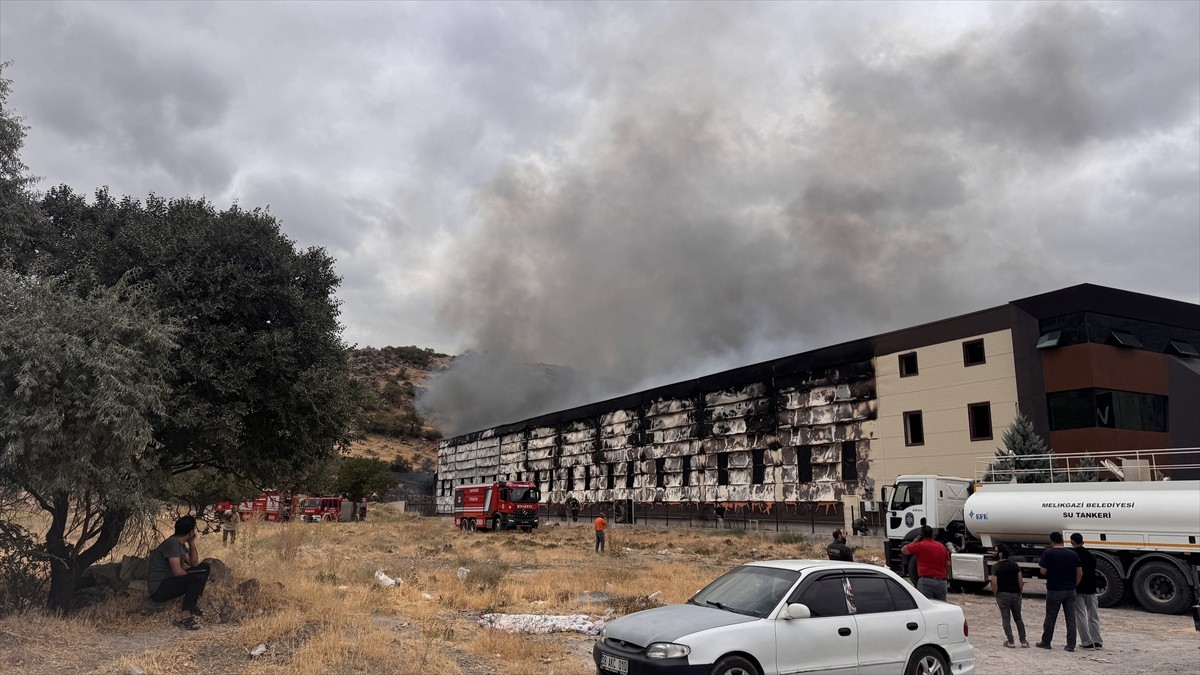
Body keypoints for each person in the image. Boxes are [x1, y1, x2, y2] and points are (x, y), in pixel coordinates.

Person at [147, 515, 211, 630]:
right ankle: (184, 617)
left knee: (205, 567)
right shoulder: (172, 543)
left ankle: (192, 604)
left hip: (168, 582)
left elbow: (194, 563)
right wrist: (193, 578)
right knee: (196, 577)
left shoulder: (179, 544)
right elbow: (177, 572)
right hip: (159, 588)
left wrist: (191, 543)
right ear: (191, 531)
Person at [1037, 531, 1082, 651]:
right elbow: (1080, 573)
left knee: (1051, 616)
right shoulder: (1072, 554)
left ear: (1051, 541)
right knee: (1070, 618)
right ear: (1062, 540)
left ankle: (1046, 642)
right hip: (1070, 590)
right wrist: (1074, 585)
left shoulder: (1048, 553)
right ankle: (1071, 645)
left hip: (1054, 589)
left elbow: (1043, 571)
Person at [990, 544, 1029, 648]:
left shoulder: (996, 567)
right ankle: (1023, 641)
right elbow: (1020, 581)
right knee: (1018, 618)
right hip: (1015, 594)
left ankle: (1010, 641)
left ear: (1001, 553)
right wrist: (1019, 593)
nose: (994, 553)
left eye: (995, 551)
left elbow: (994, 584)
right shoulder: (1015, 565)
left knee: (1006, 619)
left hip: (1002, 595)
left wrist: (996, 595)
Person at [1071, 533, 1103, 650]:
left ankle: (1087, 642)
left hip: (1079, 588)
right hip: (1091, 588)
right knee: (1093, 615)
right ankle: (1097, 641)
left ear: (1072, 542)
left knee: (1080, 615)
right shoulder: (1091, 555)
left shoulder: (1073, 555)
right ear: (1083, 542)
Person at [901, 525, 950, 601]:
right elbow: (948, 564)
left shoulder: (919, 546)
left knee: (925, 607)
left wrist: (913, 542)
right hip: (941, 582)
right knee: (941, 607)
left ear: (921, 535)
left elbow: (904, 550)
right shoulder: (942, 547)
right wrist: (947, 578)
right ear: (932, 534)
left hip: (926, 581)